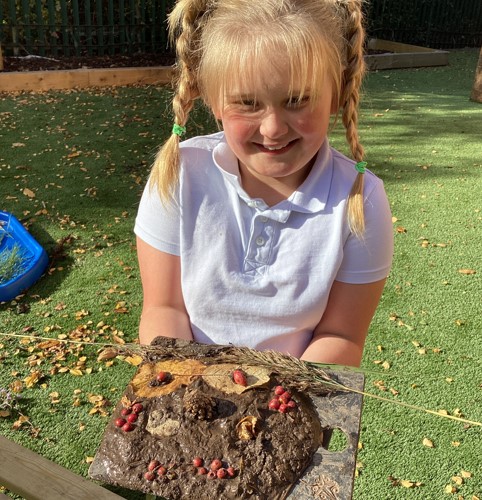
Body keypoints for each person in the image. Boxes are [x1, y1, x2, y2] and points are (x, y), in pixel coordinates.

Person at [134, 0, 393, 367]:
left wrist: (280, 394)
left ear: (336, 93)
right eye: (247, 102)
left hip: (296, 394)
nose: (272, 129)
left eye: (297, 100)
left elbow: (342, 336)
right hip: (188, 385)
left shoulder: (361, 201)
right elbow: (164, 308)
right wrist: (192, 383)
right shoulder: (180, 174)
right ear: (213, 99)